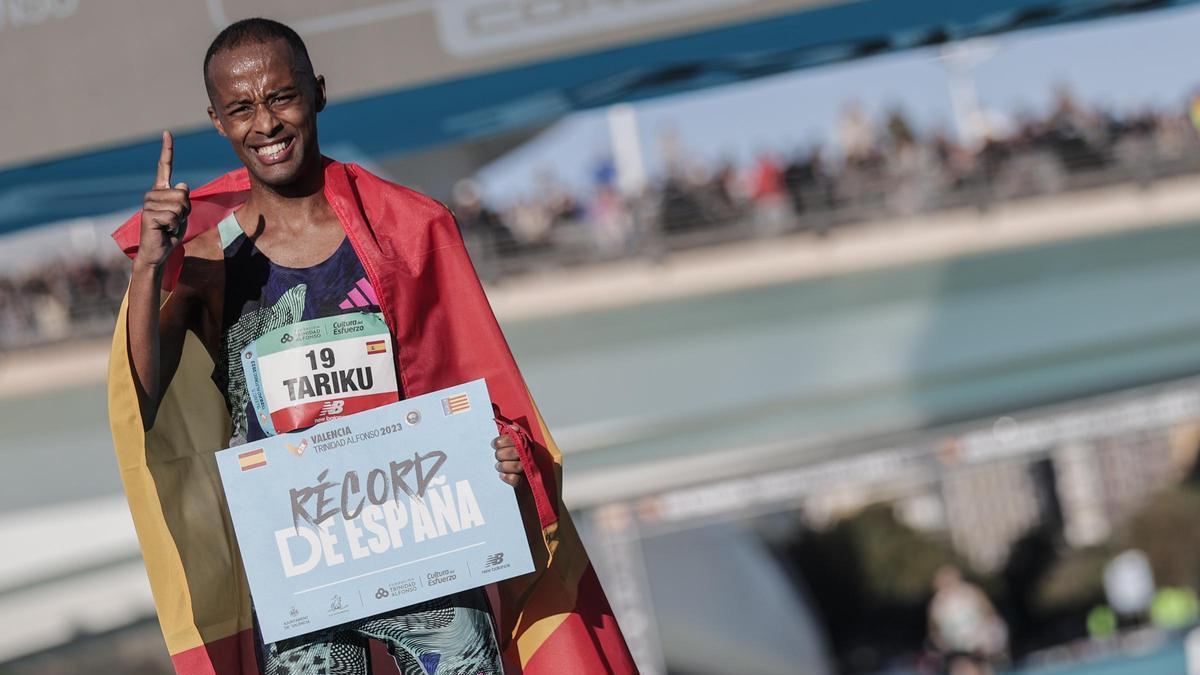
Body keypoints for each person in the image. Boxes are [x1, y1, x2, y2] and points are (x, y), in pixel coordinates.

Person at [109, 17, 636, 675]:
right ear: (217, 121)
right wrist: (149, 267)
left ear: (318, 92)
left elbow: (470, 377)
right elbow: (143, 400)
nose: (266, 122)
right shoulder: (210, 263)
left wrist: (502, 445)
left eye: (282, 96)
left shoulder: (411, 227)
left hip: (426, 547)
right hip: (301, 565)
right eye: (241, 108)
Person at [927, 566, 1007, 675]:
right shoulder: (936, 604)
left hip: (978, 643)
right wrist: (941, 643)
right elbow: (934, 629)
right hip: (955, 648)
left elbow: (990, 614)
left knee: (980, 668)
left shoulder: (971, 593)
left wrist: (988, 637)